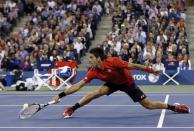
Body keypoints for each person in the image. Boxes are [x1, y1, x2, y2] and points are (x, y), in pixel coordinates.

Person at [52, 47, 190, 118]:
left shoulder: (113, 61)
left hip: (127, 82)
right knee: (95, 93)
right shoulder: (93, 71)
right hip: (112, 83)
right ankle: (72, 109)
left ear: (99, 58)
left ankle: (174, 107)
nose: (90, 60)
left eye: (92, 58)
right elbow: (78, 85)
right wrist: (60, 95)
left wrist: (150, 70)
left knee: (149, 105)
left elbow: (134, 66)